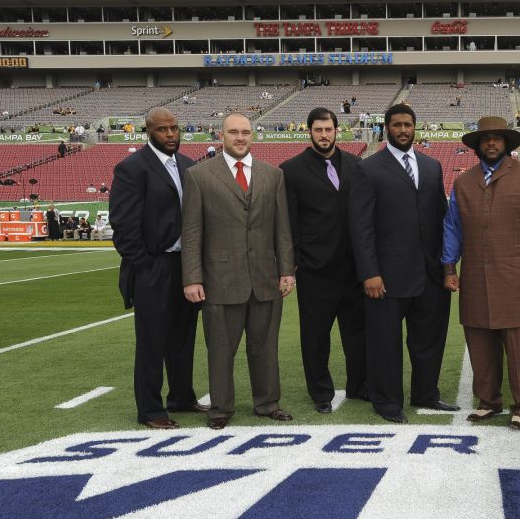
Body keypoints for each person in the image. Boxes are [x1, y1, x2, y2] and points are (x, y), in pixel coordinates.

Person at [181, 113, 296, 429]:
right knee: (220, 350)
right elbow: (192, 232)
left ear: (253, 136)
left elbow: (282, 229)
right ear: (222, 135)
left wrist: (287, 269)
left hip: (265, 278)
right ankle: (221, 407)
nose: (240, 137)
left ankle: (268, 402)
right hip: (220, 280)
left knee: (265, 348)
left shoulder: (273, 175)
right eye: (234, 132)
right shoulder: (199, 175)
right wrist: (192, 277)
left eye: (245, 132)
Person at [442, 116, 520, 430]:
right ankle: (488, 401)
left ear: (506, 144)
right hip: (476, 277)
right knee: (480, 343)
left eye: (497, 138)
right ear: (477, 145)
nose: (491, 143)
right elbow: (452, 228)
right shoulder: (464, 182)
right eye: (485, 139)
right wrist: (449, 267)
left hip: (519, 276)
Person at [346, 103, 455, 423]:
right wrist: (369, 272)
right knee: (384, 344)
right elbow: (360, 226)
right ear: (387, 128)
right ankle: (387, 402)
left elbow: (439, 220)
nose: (403, 130)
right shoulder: (368, 168)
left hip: (429, 274)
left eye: (408, 125)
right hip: (387, 277)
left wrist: (446, 266)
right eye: (397, 125)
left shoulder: (432, 166)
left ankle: (427, 394)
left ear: (415, 127)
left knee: (428, 341)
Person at [109, 107, 203, 429]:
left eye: (175, 128)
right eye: (163, 130)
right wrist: (146, 266)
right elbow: (123, 227)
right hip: (154, 266)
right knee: (151, 341)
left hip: (186, 266)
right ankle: (150, 409)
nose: (171, 134)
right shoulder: (132, 169)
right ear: (149, 132)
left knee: (183, 337)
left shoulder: (189, 166)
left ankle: (181, 396)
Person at [280, 108, 367, 413]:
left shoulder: (356, 165)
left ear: (337, 131)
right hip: (316, 271)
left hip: (353, 268)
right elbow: (288, 221)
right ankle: (320, 392)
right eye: (318, 130)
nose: (324, 135)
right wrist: (293, 263)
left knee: (357, 333)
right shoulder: (291, 170)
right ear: (309, 132)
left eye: (328, 129)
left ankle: (360, 385)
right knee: (316, 337)